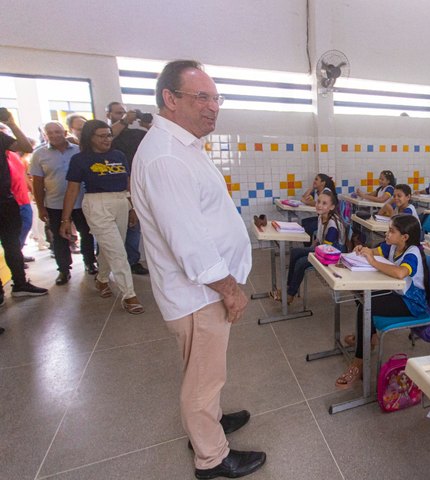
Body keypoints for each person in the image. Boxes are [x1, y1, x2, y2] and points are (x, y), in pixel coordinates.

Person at [131, 60, 265, 479]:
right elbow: (189, 243)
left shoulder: (182, 146)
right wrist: (230, 289)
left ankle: (210, 421)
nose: (213, 107)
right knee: (203, 379)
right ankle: (212, 456)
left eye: (215, 97)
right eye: (201, 97)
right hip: (198, 293)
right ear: (170, 99)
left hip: (202, 290)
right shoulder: (166, 157)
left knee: (206, 371)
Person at [59, 120, 144, 313]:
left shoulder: (119, 155)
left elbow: (128, 183)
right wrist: (66, 219)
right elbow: (72, 190)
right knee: (118, 251)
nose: (107, 139)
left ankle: (102, 279)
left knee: (110, 247)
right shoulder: (80, 159)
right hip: (97, 204)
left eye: (109, 135)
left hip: (121, 201)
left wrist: (133, 208)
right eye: (102, 136)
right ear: (90, 138)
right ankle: (129, 295)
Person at [337, 215, 430, 389]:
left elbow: (400, 273)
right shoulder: (393, 245)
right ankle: (369, 338)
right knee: (361, 293)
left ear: (405, 237)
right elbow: (375, 251)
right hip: (397, 292)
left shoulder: (413, 253)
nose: (387, 234)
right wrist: (363, 250)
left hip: (412, 303)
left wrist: (372, 261)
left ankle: (358, 363)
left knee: (366, 305)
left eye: (391, 231)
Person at [30, 122, 98, 284]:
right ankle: (63, 270)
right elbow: (37, 183)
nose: (54, 135)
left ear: (65, 132)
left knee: (87, 233)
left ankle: (90, 262)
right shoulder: (39, 154)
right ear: (45, 135)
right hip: (55, 204)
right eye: (50, 133)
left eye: (57, 131)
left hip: (80, 202)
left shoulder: (79, 150)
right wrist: (41, 208)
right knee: (60, 237)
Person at [0, 109, 48, 305]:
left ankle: (20, 284)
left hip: (5, 201)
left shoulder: (1, 138)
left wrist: (11, 123)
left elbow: (26, 147)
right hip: (6, 200)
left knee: (12, 244)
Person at [271, 187, 344, 304]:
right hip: (322, 250)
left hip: (332, 256)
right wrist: (310, 248)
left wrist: (311, 252)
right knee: (295, 252)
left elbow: (327, 250)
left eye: (324, 203)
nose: (319, 205)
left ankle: (290, 295)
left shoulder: (332, 225)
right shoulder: (321, 216)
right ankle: (289, 288)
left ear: (332, 207)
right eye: (318, 202)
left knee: (301, 262)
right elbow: (319, 240)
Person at [106, 102, 149, 275]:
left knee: (133, 225)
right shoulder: (105, 133)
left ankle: (132, 261)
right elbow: (108, 137)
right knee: (109, 229)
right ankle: (108, 264)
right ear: (109, 115)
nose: (122, 115)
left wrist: (147, 123)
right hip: (110, 186)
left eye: (123, 113)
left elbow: (159, 139)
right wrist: (124, 120)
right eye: (118, 113)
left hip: (134, 182)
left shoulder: (136, 134)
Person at [298, 173, 333, 242]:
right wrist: (311, 188)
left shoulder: (326, 192)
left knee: (308, 227)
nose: (314, 181)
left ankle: (310, 245)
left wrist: (306, 202)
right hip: (320, 217)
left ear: (323, 183)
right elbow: (303, 198)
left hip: (327, 219)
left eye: (316, 179)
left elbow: (316, 203)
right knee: (304, 222)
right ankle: (308, 245)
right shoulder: (317, 191)